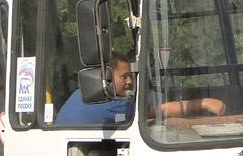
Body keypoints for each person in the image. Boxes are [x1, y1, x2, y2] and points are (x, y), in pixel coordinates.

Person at [55, 53, 226, 125]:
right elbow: (162, 111)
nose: (130, 81)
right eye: (124, 76)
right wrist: (203, 103)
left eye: (131, 76)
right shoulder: (111, 104)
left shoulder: (81, 94)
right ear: (104, 76)